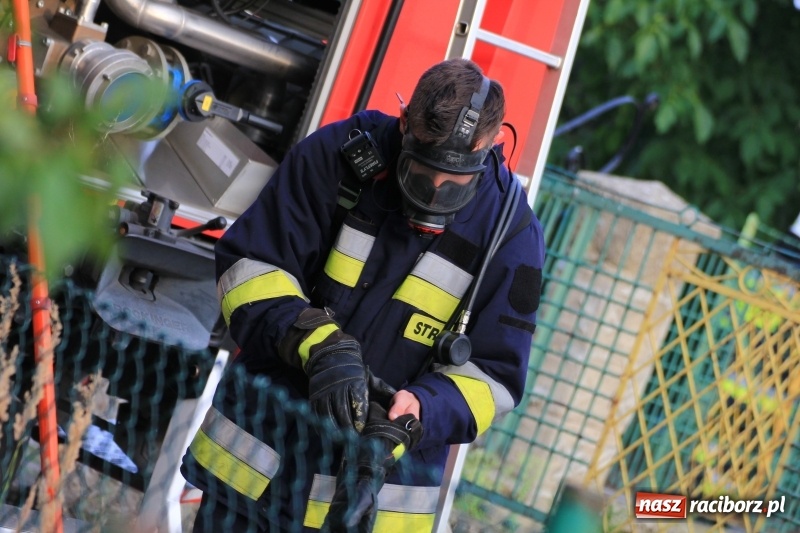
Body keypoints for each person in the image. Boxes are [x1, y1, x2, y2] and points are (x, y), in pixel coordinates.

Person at [181, 58, 545, 532]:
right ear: (404, 123)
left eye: (453, 185)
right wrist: (320, 346)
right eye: (419, 173)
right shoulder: (340, 155)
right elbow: (250, 269)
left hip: (368, 506)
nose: (432, 196)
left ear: (491, 146)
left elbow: (494, 379)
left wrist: (419, 412)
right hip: (255, 469)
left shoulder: (512, 235)